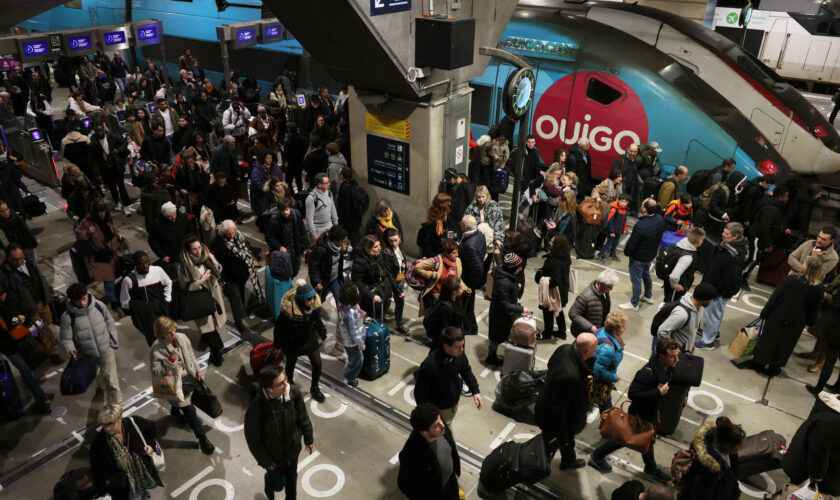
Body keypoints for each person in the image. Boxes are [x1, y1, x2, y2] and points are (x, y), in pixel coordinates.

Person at [588, 337, 679, 482]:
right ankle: (597, 456)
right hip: (639, 414)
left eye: (677, 355)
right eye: (673, 356)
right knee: (625, 438)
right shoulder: (646, 373)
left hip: (651, 412)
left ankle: (650, 467)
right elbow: (633, 394)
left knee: (647, 439)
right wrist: (658, 393)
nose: (677, 359)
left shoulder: (666, 368)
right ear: (661, 356)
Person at [244, 364, 314, 500]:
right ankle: (269, 484)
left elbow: (303, 416)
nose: (286, 385)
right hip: (273, 458)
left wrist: (308, 438)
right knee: (278, 485)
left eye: (285, 380)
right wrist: (265, 461)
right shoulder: (255, 409)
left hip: (292, 451)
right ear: (269, 389)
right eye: (281, 383)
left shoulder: (292, 393)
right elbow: (253, 440)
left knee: (292, 483)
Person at [149, 316, 215, 455]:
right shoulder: (155, 349)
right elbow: (156, 371)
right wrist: (171, 359)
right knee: (190, 411)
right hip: (176, 383)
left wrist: (197, 371)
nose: (173, 333)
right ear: (161, 334)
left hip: (190, 377)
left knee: (188, 404)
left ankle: (175, 411)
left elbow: (191, 355)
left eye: (173, 329)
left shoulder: (182, 337)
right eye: (168, 332)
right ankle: (202, 439)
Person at [749, 256, 824, 377]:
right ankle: (774, 367)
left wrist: (764, 313)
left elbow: (774, 298)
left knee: (768, 340)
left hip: (777, 316)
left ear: (804, 266)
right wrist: (809, 321)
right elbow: (814, 309)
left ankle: (759, 363)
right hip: (797, 322)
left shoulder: (789, 280)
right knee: (785, 345)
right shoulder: (819, 288)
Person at [534, 333, 598, 469]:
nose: (597, 349)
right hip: (554, 421)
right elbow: (558, 411)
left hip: (547, 404)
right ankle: (538, 468)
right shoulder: (571, 377)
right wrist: (563, 438)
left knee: (567, 442)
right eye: (596, 347)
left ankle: (568, 460)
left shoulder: (564, 349)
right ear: (587, 350)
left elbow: (550, 364)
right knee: (550, 445)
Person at [59, 283, 122, 403]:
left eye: (84, 299)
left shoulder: (99, 305)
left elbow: (110, 322)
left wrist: (113, 341)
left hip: (106, 349)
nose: (82, 303)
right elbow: (66, 338)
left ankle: (117, 408)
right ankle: (101, 387)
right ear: (72, 301)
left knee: (112, 382)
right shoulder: (67, 317)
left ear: (87, 294)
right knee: (99, 376)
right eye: (78, 301)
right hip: (87, 354)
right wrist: (70, 349)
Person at [0, 279, 52, 414]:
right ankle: (41, 398)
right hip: (23, 339)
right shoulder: (14, 299)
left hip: (9, 346)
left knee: (26, 371)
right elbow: (29, 313)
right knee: (27, 370)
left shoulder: (12, 300)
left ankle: (41, 399)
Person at [90, 403, 162, 500]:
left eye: (110, 424)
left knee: (143, 491)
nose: (107, 428)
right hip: (125, 487)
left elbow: (151, 428)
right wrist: (112, 481)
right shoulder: (98, 443)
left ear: (120, 418)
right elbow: (97, 471)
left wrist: (151, 445)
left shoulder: (134, 423)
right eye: (103, 425)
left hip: (143, 473)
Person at [792, 227, 840, 372]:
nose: (819, 240)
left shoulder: (833, 257)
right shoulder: (809, 243)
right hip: (824, 290)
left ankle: (821, 360)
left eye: (823, 239)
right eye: (819, 237)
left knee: (827, 334)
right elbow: (791, 258)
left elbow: (816, 275)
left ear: (832, 241)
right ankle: (816, 352)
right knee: (820, 329)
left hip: (825, 295)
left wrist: (813, 259)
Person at [695, 223, 748, 350]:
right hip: (717, 288)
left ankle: (708, 342)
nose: (723, 235)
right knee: (717, 313)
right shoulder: (733, 247)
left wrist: (719, 292)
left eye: (726, 233)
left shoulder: (732, 254)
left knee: (711, 314)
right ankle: (713, 332)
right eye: (724, 231)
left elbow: (732, 277)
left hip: (717, 290)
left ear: (735, 236)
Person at [414, 326, 482, 427]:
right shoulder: (429, 366)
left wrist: (475, 391)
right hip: (439, 411)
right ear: (446, 347)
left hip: (452, 405)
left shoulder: (459, 354)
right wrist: (430, 417)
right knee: (446, 438)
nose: (462, 350)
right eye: (458, 347)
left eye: (462, 346)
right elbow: (421, 395)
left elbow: (466, 370)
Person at [274, 280, 328, 403]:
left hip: (309, 339)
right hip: (292, 343)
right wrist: (277, 344)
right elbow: (279, 328)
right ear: (301, 300)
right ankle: (290, 386)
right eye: (309, 300)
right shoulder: (289, 313)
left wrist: (322, 333)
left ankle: (314, 389)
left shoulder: (313, 309)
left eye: (313, 298)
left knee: (317, 364)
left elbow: (317, 321)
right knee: (291, 364)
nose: (312, 301)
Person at [178, 236, 227, 367]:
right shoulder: (184, 267)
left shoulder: (206, 257)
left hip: (213, 296)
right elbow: (185, 287)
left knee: (215, 324)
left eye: (199, 247)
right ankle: (216, 354)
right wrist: (201, 281)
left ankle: (209, 343)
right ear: (188, 251)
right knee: (209, 328)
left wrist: (213, 259)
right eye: (194, 250)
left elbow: (218, 270)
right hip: (200, 300)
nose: (198, 252)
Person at [397, 403, 462, 500]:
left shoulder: (441, 428)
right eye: (436, 425)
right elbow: (404, 484)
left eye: (440, 419)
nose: (442, 425)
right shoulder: (412, 454)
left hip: (450, 485)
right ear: (424, 432)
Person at [210, 220, 264, 335]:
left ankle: (243, 311)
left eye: (233, 232)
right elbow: (217, 262)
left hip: (242, 274)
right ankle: (239, 323)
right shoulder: (218, 242)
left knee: (240, 293)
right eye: (229, 234)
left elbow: (246, 250)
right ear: (224, 232)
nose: (231, 236)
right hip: (229, 276)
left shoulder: (239, 236)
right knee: (235, 299)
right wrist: (221, 278)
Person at [782, 394, 840, 497]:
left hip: (804, 459)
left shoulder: (829, 408)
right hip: (805, 470)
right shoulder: (833, 421)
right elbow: (817, 454)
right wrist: (815, 480)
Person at [75, 199, 126, 310]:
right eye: (99, 211)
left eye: (103, 211)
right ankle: (113, 300)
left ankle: (114, 297)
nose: (102, 214)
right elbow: (78, 233)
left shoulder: (108, 219)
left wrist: (119, 235)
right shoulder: (88, 222)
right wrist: (88, 231)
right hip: (100, 255)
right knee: (108, 279)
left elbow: (115, 230)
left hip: (112, 252)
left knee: (113, 276)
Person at [683, 417, 746, 500]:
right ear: (729, 446)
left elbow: (733, 474)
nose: (742, 448)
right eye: (740, 447)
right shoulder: (709, 469)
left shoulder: (726, 447)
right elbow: (699, 496)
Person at [619, 199, 666, 311]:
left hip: (638, 258)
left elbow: (632, 244)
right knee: (646, 275)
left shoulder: (641, 225)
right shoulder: (659, 219)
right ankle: (648, 296)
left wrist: (627, 253)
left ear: (644, 209)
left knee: (636, 280)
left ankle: (634, 303)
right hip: (650, 255)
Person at [120, 251, 173, 346]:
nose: (145, 266)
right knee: (155, 344)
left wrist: (167, 299)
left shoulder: (157, 270)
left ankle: (174, 358)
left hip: (162, 312)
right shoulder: (128, 280)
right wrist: (140, 308)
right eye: (141, 264)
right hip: (147, 319)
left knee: (170, 337)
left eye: (147, 262)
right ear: (135, 264)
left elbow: (168, 282)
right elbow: (124, 302)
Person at [742, 186, 790, 290]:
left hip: (759, 237)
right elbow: (764, 226)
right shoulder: (771, 209)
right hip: (757, 237)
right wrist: (768, 243)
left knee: (754, 258)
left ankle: (742, 275)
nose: (787, 199)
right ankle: (740, 277)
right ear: (781, 197)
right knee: (753, 259)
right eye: (786, 196)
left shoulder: (775, 207)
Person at [486, 253, 530, 365]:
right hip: (501, 315)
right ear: (512, 269)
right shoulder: (503, 283)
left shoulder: (503, 273)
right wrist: (521, 309)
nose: (521, 269)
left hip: (502, 314)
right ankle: (491, 357)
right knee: (496, 338)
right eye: (519, 267)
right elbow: (505, 304)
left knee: (499, 336)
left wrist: (516, 285)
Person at [2, 243, 55, 325]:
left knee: (49, 323)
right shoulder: (5, 273)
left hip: (42, 302)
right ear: (7, 258)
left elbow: (40, 278)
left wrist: (49, 290)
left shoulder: (30, 262)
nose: (19, 262)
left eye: (21, 258)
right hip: (29, 311)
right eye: (14, 260)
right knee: (38, 331)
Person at [655, 282, 717, 353]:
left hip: (685, 350)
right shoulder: (682, 314)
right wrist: (672, 349)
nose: (712, 301)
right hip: (676, 354)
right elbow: (662, 331)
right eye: (712, 299)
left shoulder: (696, 307)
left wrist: (690, 344)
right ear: (704, 299)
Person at [415, 238, 468, 314]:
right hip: (437, 297)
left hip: (451, 297)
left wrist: (465, 288)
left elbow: (458, 278)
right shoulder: (436, 261)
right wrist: (430, 274)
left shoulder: (458, 261)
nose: (457, 255)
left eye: (457, 252)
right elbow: (418, 267)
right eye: (454, 253)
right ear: (446, 253)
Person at [351, 234, 397, 316]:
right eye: (376, 247)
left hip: (381, 288)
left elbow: (384, 271)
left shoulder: (378, 254)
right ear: (368, 248)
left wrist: (389, 290)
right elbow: (357, 283)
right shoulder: (359, 262)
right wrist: (371, 295)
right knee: (374, 314)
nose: (379, 248)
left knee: (382, 308)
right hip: (369, 294)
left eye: (379, 245)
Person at [539, 233, 572, 339]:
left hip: (553, 292)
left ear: (558, 245)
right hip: (563, 290)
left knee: (548, 312)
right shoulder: (566, 257)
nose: (550, 242)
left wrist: (542, 279)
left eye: (552, 242)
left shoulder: (555, 261)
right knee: (559, 310)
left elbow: (555, 280)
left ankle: (547, 333)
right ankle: (562, 332)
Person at [592, 312, 628, 411]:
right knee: (606, 404)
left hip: (593, 372)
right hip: (601, 382)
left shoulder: (601, 330)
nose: (625, 329)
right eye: (622, 327)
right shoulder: (609, 349)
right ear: (614, 329)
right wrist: (614, 377)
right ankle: (606, 422)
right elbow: (598, 371)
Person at [335, 282, 368, 386]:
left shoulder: (344, 303)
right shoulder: (350, 313)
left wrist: (363, 317)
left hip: (347, 337)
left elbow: (357, 312)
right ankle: (350, 376)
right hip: (351, 341)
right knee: (358, 358)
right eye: (357, 290)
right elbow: (354, 331)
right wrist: (361, 343)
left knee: (354, 356)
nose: (358, 290)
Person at [266, 199, 308, 278]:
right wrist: (279, 246)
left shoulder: (296, 214)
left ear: (290, 208)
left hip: (295, 252)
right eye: (282, 210)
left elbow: (303, 231)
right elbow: (269, 237)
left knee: (295, 271)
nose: (285, 212)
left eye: (286, 209)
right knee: (285, 274)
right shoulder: (274, 220)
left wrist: (304, 247)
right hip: (283, 255)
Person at [458, 215, 485, 336]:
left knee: (466, 305)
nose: (460, 225)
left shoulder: (469, 245)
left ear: (465, 227)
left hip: (468, 280)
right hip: (470, 278)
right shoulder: (479, 235)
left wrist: (469, 285)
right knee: (468, 304)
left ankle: (470, 328)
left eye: (461, 223)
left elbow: (478, 269)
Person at [569, 269, 618, 337]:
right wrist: (590, 327)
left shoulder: (605, 292)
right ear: (601, 283)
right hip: (584, 333)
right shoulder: (585, 297)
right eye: (609, 286)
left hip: (597, 331)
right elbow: (573, 314)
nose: (612, 289)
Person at [662, 227, 706, 302]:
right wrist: (675, 285)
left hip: (669, 284)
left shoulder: (681, 244)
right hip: (675, 290)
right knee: (669, 308)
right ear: (700, 241)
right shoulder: (687, 257)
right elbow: (673, 276)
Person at [464, 185, 505, 263]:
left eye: (483, 197)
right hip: (475, 241)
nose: (481, 199)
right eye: (479, 197)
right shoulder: (471, 207)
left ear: (487, 196)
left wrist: (498, 239)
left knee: (486, 265)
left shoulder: (494, 206)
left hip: (490, 241)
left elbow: (499, 224)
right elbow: (465, 222)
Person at [308, 225, 348, 303]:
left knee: (340, 299)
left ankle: (342, 314)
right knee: (319, 301)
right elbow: (313, 267)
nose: (343, 243)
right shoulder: (320, 249)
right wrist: (317, 281)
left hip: (335, 279)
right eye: (342, 241)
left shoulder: (339, 247)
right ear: (334, 240)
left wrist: (344, 250)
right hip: (323, 281)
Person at [423, 278, 466, 350]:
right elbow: (445, 329)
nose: (463, 289)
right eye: (461, 288)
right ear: (454, 293)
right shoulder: (445, 308)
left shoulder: (456, 299)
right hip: (448, 343)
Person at [382, 228, 409, 335]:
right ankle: (380, 319)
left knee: (399, 303)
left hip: (400, 281)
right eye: (391, 241)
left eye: (396, 240)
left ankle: (398, 323)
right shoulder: (387, 253)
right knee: (388, 301)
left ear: (400, 238)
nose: (394, 243)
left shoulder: (400, 247)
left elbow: (402, 262)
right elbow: (389, 274)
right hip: (392, 282)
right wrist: (397, 290)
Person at [417, 193, 457, 258]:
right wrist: (449, 235)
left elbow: (456, 234)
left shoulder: (448, 216)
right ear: (443, 206)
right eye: (448, 202)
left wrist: (452, 235)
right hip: (436, 256)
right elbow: (439, 240)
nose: (450, 204)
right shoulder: (436, 224)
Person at [597, 193, 631, 263]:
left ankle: (612, 255)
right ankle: (600, 254)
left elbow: (624, 221)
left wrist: (624, 229)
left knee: (615, 243)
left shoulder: (625, 210)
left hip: (618, 231)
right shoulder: (614, 210)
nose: (624, 203)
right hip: (612, 231)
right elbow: (610, 222)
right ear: (618, 201)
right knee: (609, 243)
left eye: (625, 202)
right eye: (622, 201)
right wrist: (611, 232)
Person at [305, 173, 338, 241]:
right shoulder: (311, 198)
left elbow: (332, 208)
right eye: (326, 183)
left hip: (329, 226)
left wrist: (335, 222)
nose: (329, 184)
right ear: (319, 185)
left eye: (329, 182)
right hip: (318, 230)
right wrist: (314, 234)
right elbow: (309, 219)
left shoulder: (329, 193)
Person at [336, 167, 365, 245]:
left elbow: (344, 207)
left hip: (349, 220)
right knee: (355, 235)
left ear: (342, 176)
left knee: (353, 238)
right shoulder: (354, 183)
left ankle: (355, 253)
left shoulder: (345, 188)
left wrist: (341, 221)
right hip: (356, 217)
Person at [611, 143, 640, 213]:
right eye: (631, 151)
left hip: (629, 190)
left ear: (637, 152)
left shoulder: (635, 161)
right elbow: (613, 175)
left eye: (634, 152)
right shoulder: (620, 160)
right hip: (619, 189)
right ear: (627, 150)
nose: (632, 153)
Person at [284, 122, 307, 193]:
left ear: (289, 130)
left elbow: (286, 153)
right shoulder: (302, 139)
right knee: (298, 179)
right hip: (299, 162)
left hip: (291, 163)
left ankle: (292, 194)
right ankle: (300, 193)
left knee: (288, 181)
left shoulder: (288, 140)